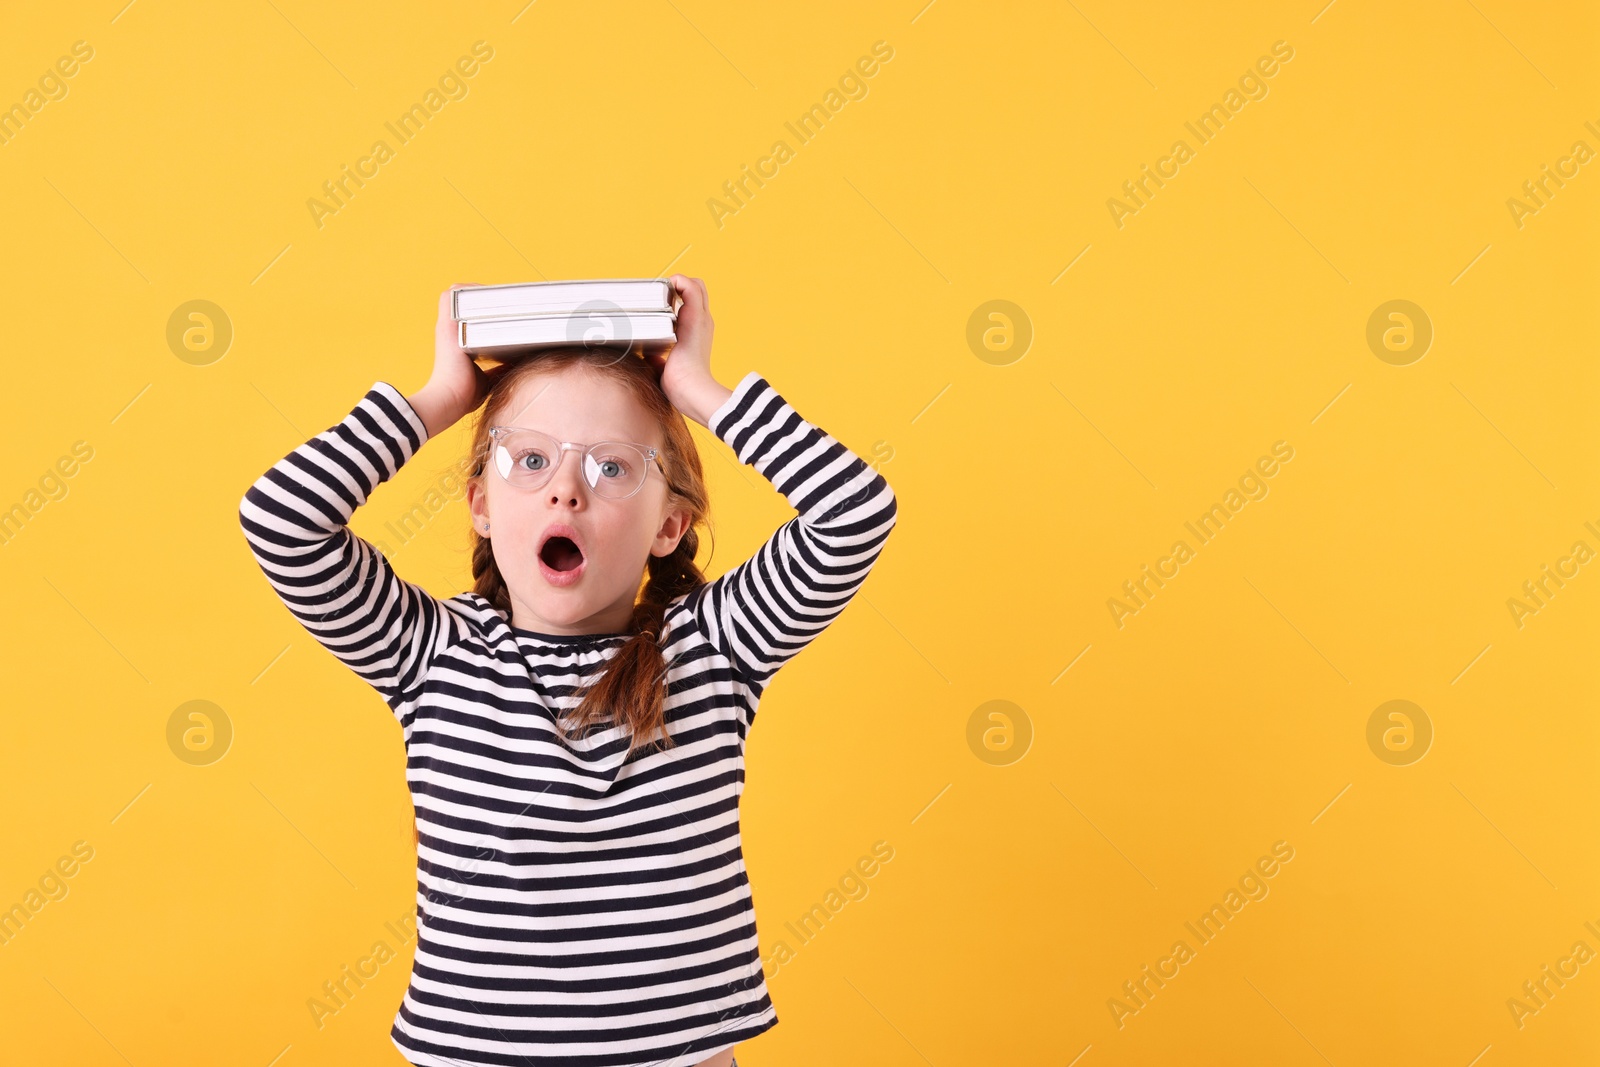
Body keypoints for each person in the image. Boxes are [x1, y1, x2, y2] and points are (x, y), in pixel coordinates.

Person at [237, 274, 898, 1067]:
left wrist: (698, 389)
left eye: (613, 468)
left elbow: (853, 513)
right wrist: (443, 396)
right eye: (531, 459)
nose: (565, 490)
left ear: (670, 523)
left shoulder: (713, 647)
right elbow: (280, 520)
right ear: (480, 505)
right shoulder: (430, 652)